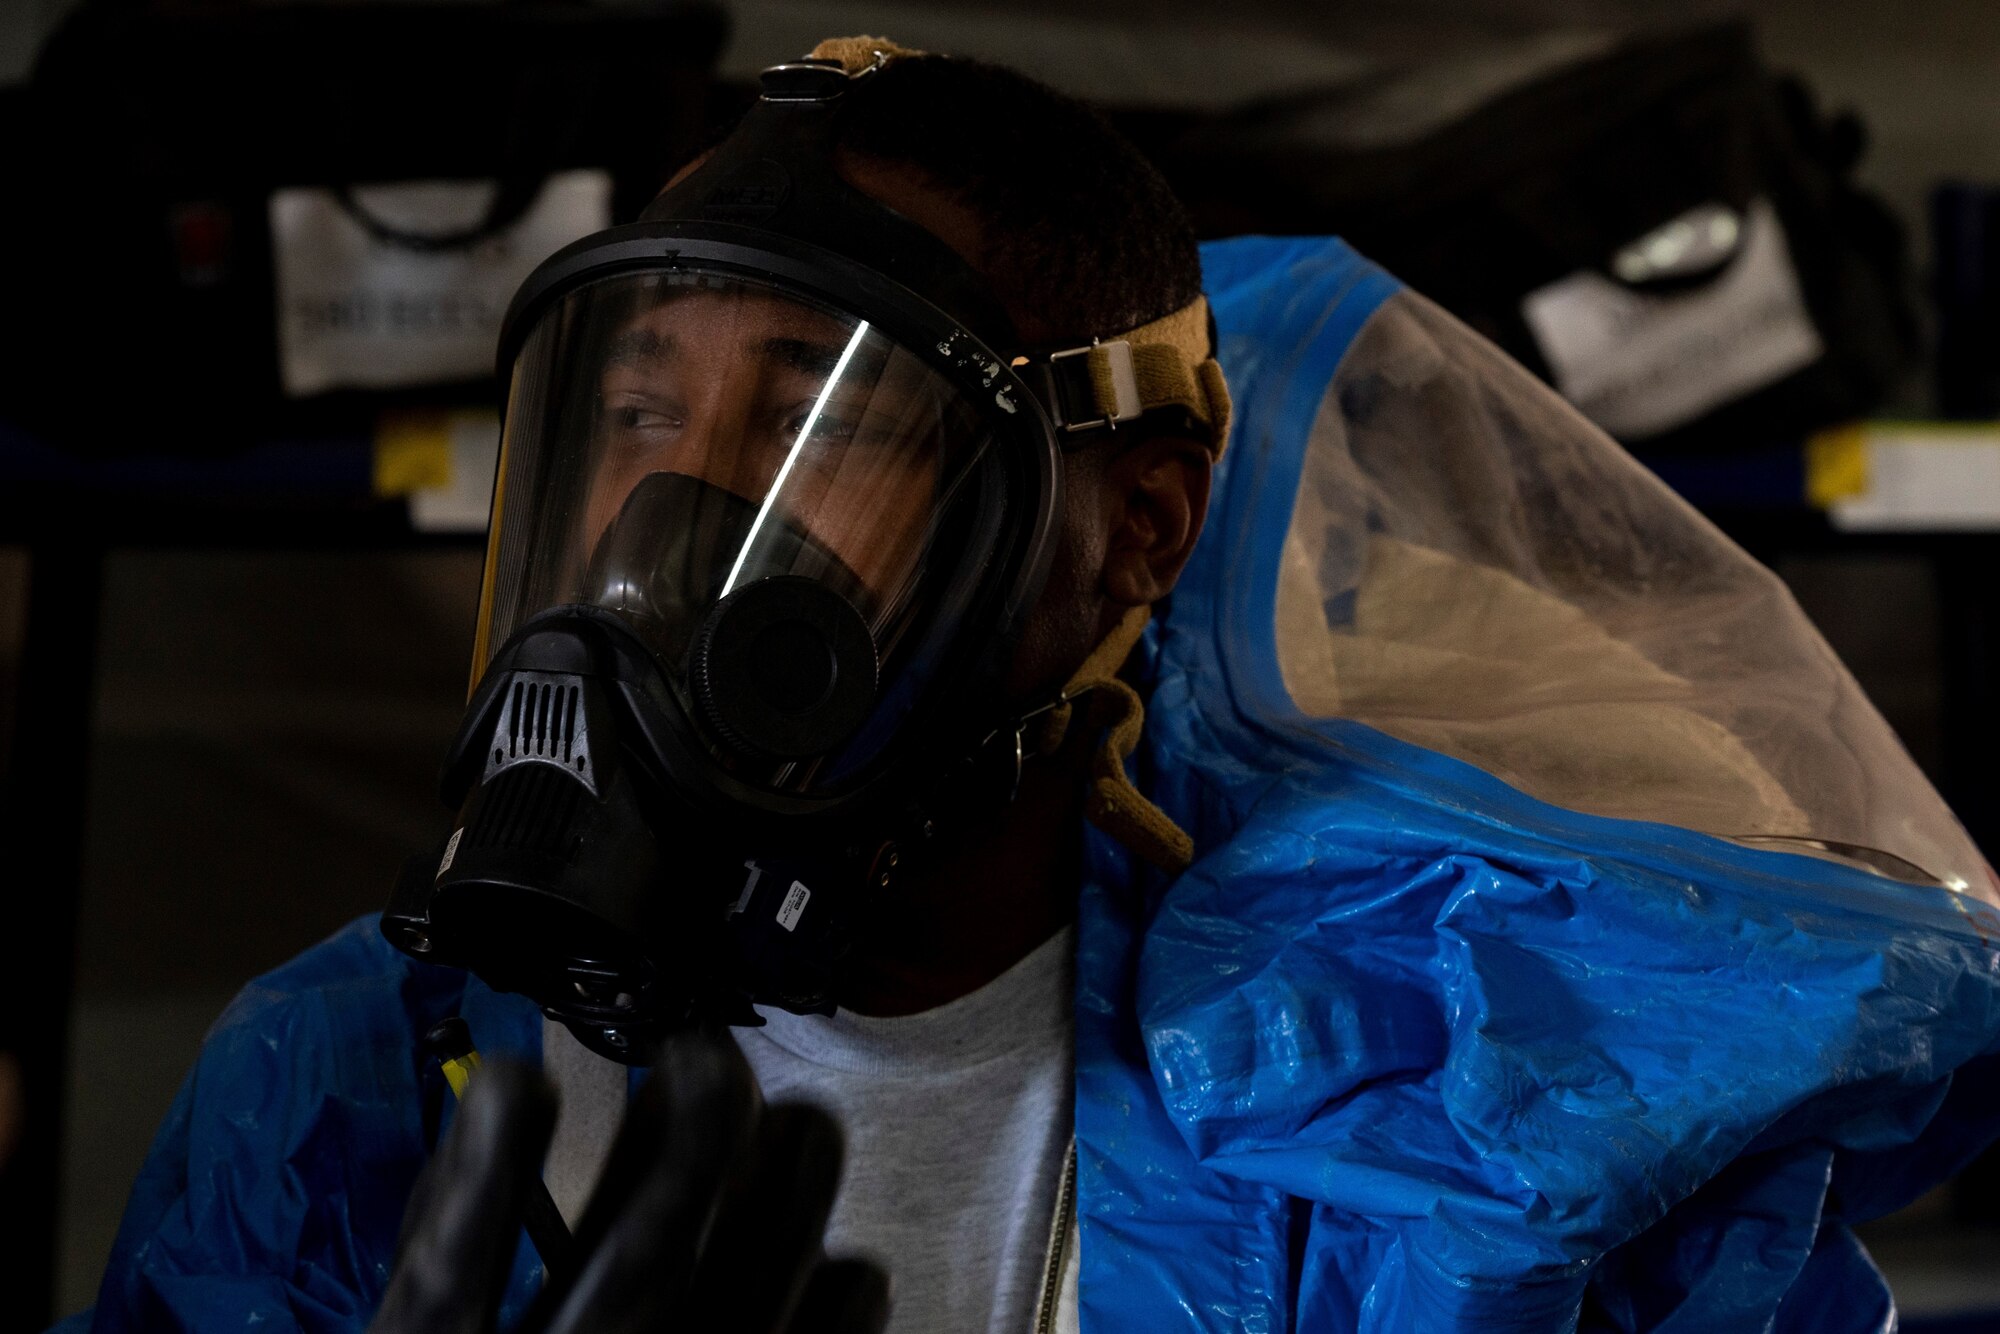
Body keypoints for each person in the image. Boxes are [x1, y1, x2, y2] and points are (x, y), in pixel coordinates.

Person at [71, 38, 2000, 1334]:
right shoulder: (347, 1089)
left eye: (824, 422)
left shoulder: (1445, 1123)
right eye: (638, 410)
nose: (678, 519)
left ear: (1135, 529)